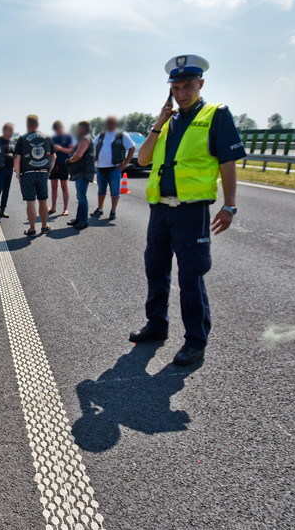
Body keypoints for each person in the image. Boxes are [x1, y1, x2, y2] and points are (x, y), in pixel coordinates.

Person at [129, 54, 245, 366]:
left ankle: (196, 340)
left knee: (191, 277)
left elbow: (227, 163)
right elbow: (142, 160)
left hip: (191, 212)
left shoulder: (215, 115)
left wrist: (230, 205)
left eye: (187, 86)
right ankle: (157, 324)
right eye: (176, 87)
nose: (182, 93)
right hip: (160, 211)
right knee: (156, 269)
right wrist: (158, 122)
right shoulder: (169, 121)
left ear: (200, 84)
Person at [14, 114, 55, 236]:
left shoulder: (22, 138)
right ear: (38, 124)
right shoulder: (47, 137)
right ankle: (44, 226)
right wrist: (49, 171)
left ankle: (32, 229)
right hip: (43, 172)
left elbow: (16, 160)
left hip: (27, 173)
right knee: (43, 200)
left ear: (27, 124)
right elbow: (54, 156)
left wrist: (18, 175)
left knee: (30, 201)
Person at [91, 116, 135, 221]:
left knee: (115, 192)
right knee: (101, 191)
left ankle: (113, 211)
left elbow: (132, 148)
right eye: (108, 122)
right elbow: (93, 147)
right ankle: (100, 209)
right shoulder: (101, 135)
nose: (109, 124)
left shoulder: (122, 135)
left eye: (112, 122)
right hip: (101, 168)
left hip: (114, 168)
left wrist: (124, 164)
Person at [65, 120, 95, 230]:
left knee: (82, 196)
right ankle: (79, 218)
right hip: (83, 171)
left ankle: (84, 220)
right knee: (80, 196)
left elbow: (78, 155)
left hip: (83, 171)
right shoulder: (87, 138)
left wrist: (69, 161)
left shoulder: (84, 139)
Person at [50, 121, 74, 216]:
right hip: (54, 164)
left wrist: (60, 148)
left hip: (64, 164)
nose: (58, 130)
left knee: (64, 186)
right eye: (56, 129)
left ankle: (66, 208)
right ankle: (53, 207)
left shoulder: (68, 137)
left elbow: (71, 150)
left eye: (59, 128)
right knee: (53, 186)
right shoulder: (53, 138)